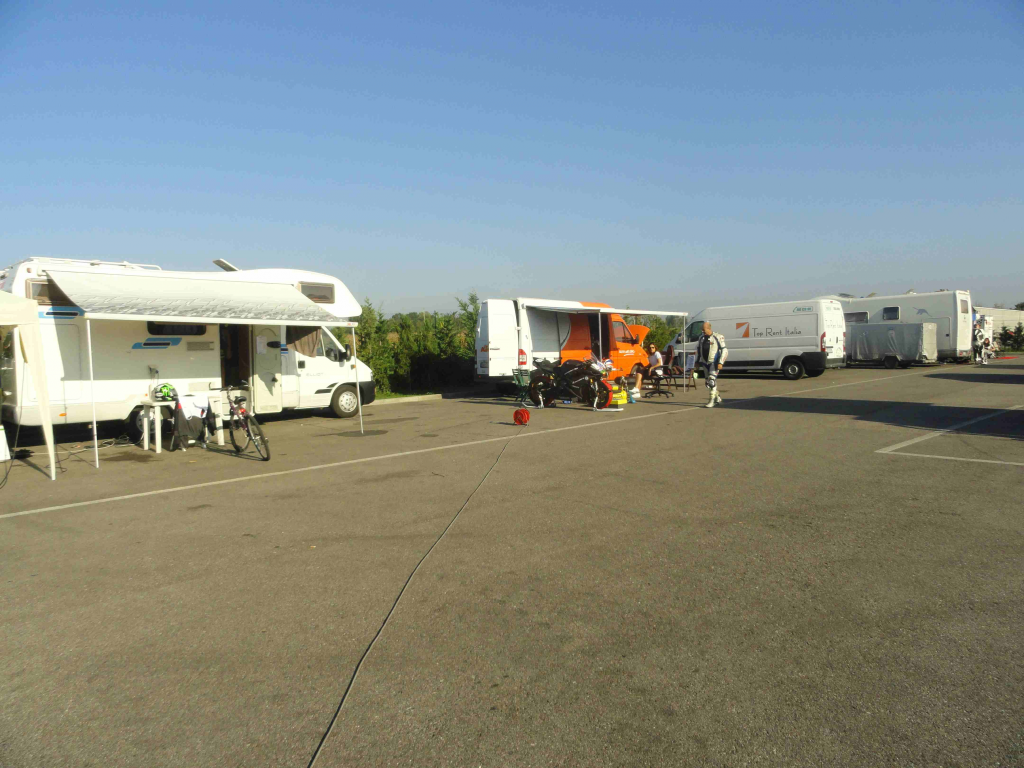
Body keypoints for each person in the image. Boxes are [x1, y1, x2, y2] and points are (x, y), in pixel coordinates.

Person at [694, 321, 728, 408]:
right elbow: (698, 350)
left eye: (703, 329)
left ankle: (712, 401)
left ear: (709, 328)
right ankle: (717, 396)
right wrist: (697, 362)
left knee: (711, 381)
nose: (702, 331)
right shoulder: (701, 338)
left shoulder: (718, 337)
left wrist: (721, 362)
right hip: (704, 363)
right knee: (708, 383)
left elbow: (725, 350)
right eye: (702, 329)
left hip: (714, 362)